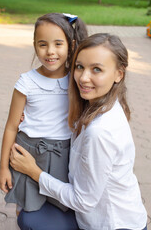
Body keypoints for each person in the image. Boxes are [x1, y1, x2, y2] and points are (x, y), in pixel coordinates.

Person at [10, 33, 148, 230]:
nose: (83, 78)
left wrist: (35, 172)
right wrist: (32, 115)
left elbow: (82, 201)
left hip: (111, 224)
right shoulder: (103, 104)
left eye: (97, 69)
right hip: (99, 214)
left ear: (119, 74)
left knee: (30, 220)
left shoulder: (100, 131)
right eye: (79, 66)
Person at [0, 12, 88, 227]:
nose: (50, 52)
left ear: (71, 45)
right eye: (43, 44)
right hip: (28, 152)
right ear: (34, 45)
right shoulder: (27, 82)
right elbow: (10, 126)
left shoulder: (77, 80)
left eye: (58, 44)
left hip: (63, 154)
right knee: (26, 207)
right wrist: (4, 167)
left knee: (60, 204)